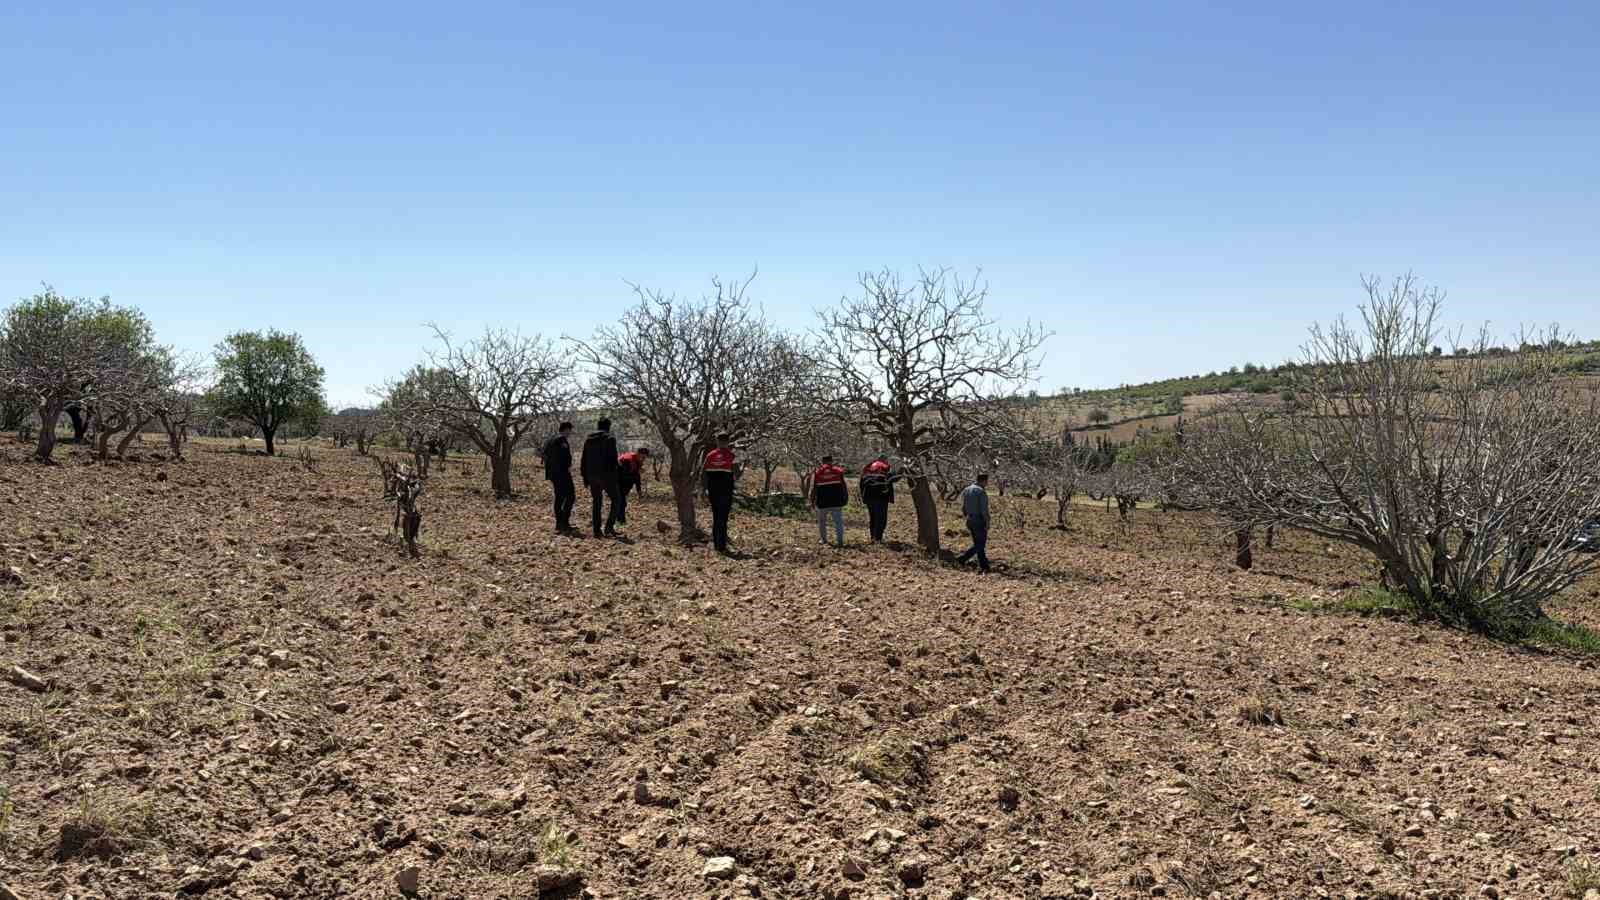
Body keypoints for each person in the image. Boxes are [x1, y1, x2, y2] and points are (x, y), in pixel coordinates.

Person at [580, 418, 622, 538]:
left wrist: (585, 477)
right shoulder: (610, 439)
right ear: (608, 427)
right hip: (607, 476)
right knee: (616, 500)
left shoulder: (589, 439)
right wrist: (615, 476)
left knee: (597, 502)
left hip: (592, 475)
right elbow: (613, 460)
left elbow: (584, 459)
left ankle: (597, 531)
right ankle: (609, 527)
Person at [703, 433, 738, 553]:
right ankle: (721, 546)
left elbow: (704, 473)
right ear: (728, 442)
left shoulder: (710, 455)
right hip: (726, 491)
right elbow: (736, 474)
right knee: (723, 518)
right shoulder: (732, 456)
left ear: (717, 441)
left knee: (716, 516)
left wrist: (704, 489)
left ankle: (716, 544)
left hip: (713, 491)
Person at [541, 421, 576, 533]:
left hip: (552, 473)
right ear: (566, 429)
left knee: (559, 497)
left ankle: (559, 523)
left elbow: (544, 455)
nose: (570, 433)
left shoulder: (549, 440)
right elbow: (565, 457)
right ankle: (564, 522)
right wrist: (567, 467)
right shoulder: (561, 439)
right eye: (570, 430)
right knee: (570, 496)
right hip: (562, 473)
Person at [956, 472, 992, 574]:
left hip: (970, 519)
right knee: (980, 544)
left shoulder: (967, 490)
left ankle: (984, 566)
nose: (987, 484)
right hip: (979, 520)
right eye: (987, 482)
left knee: (978, 543)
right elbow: (984, 510)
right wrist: (987, 522)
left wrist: (968, 516)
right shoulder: (981, 492)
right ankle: (962, 558)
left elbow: (963, 508)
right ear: (984, 481)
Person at [810, 454, 849, 547]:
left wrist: (812, 500)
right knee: (838, 522)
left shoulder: (818, 472)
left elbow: (814, 488)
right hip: (836, 501)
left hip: (822, 502)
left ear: (822, 461)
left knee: (822, 522)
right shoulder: (839, 471)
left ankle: (824, 540)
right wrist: (846, 498)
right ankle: (840, 542)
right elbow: (844, 486)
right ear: (832, 461)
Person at [859, 453, 896, 542]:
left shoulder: (867, 467)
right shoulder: (885, 467)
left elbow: (861, 482)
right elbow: (893, 478)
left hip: (868, 496)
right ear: (885, 460)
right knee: (881, 519)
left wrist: (863, 496)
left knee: (873, 518)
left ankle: (873, 537)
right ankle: (878, 539)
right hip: (881, 496)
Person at [615, 447, 651, 524]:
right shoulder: (628, 460)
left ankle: (620, 520)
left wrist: (639, 492)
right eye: (643, 457)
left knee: (622, 503)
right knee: (621, 502)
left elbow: (637, 477)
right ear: (638, 454)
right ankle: (620, 521)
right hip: (616, 482)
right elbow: (623, 475)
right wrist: (636, 473)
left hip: (623, 485)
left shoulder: (637, 461)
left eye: (645, 457)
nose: (643, 459)